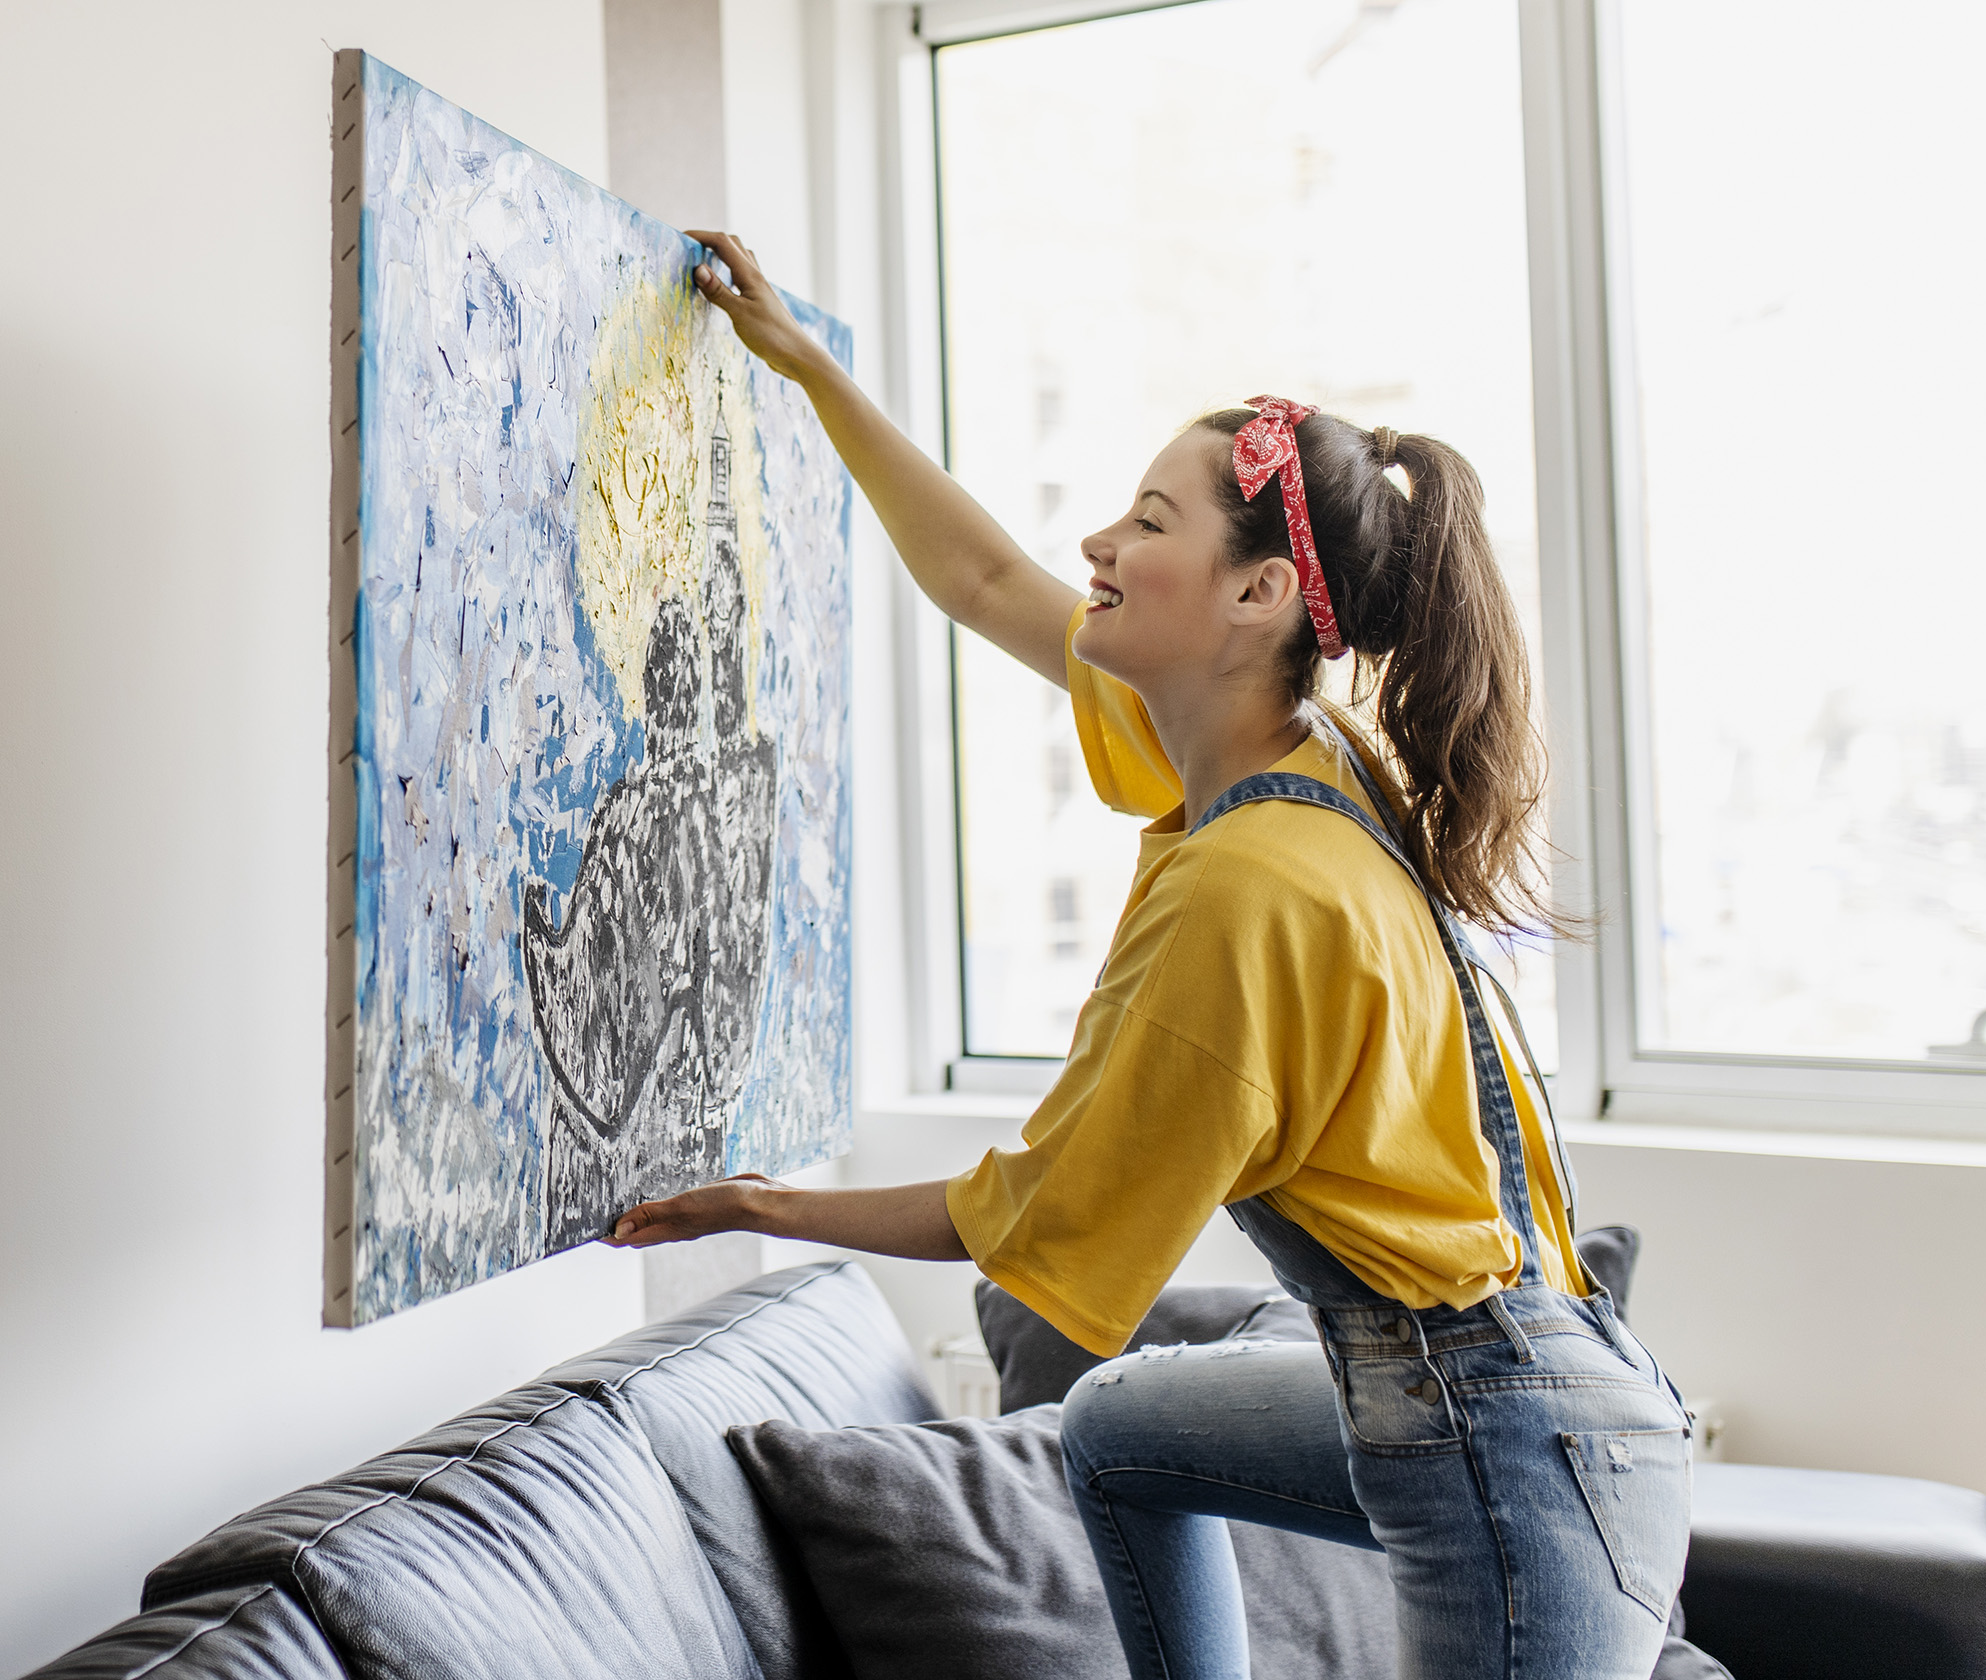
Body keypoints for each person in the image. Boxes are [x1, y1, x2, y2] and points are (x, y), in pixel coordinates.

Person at [608, 230, 1691, 1680]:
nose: (1097, 548)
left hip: (1520, 1462)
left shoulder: (1244, 891)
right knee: (1118, 1428)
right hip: (1482, 1376)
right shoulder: (1288, 754)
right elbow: (986, 577)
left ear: (1256, 599)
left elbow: (1034, 1219)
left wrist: (762, 1206)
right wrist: (809, 373)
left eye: (1145, 521)